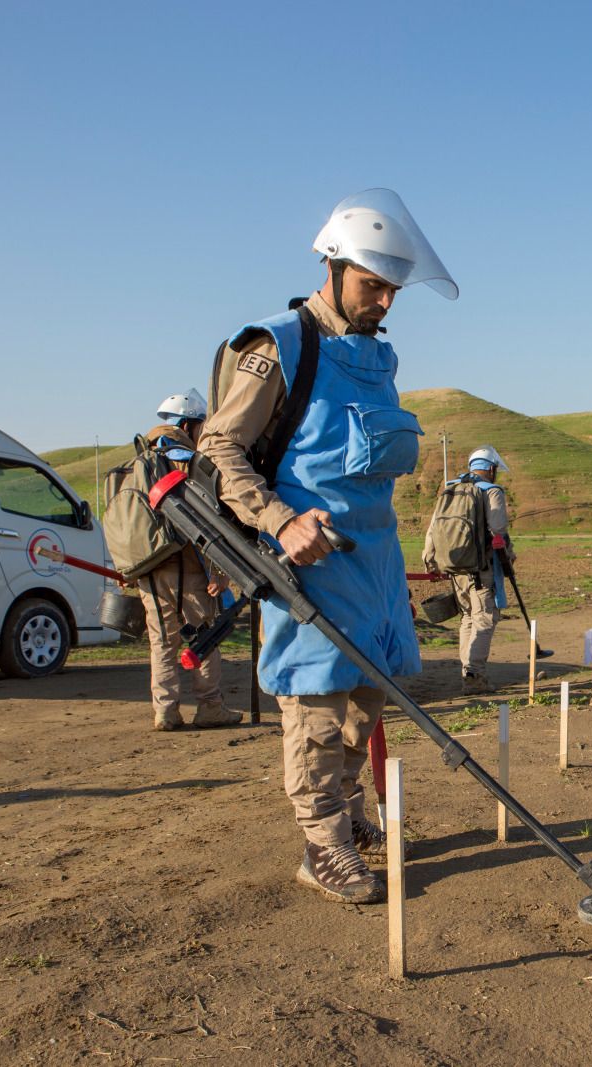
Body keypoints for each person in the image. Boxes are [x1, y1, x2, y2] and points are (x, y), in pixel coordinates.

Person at [196, 189, 456, 905]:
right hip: (304, 561)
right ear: (333, 266)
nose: (385, 303)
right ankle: (322, 842)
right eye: (374, 286)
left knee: (368, 697)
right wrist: (279, 520)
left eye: (394, 290)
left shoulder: (378, 356)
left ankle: (349, 811)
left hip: (371, 558)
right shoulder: (276, 345)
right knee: (314, 705)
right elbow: (221, 445)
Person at [139, 389, 243, 732]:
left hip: (148, 567)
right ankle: (210, 706)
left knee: (162, 641)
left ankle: (166, 711)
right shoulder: (184, 459)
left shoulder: (137, 462)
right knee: (204, 635)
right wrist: (221, 569)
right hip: (189, 565)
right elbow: (210, 518)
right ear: (187, 424)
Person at [424, 446, 515, 694]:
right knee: (484, 618)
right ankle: (474, 676)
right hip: (481, 568)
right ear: (491, 468)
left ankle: (468, 673)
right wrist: (508, 556)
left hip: (455, 568)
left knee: (467, 618)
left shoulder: (451, 488)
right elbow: (498, 530)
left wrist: (430, 560)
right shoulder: (491, 491)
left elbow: (433, 528)